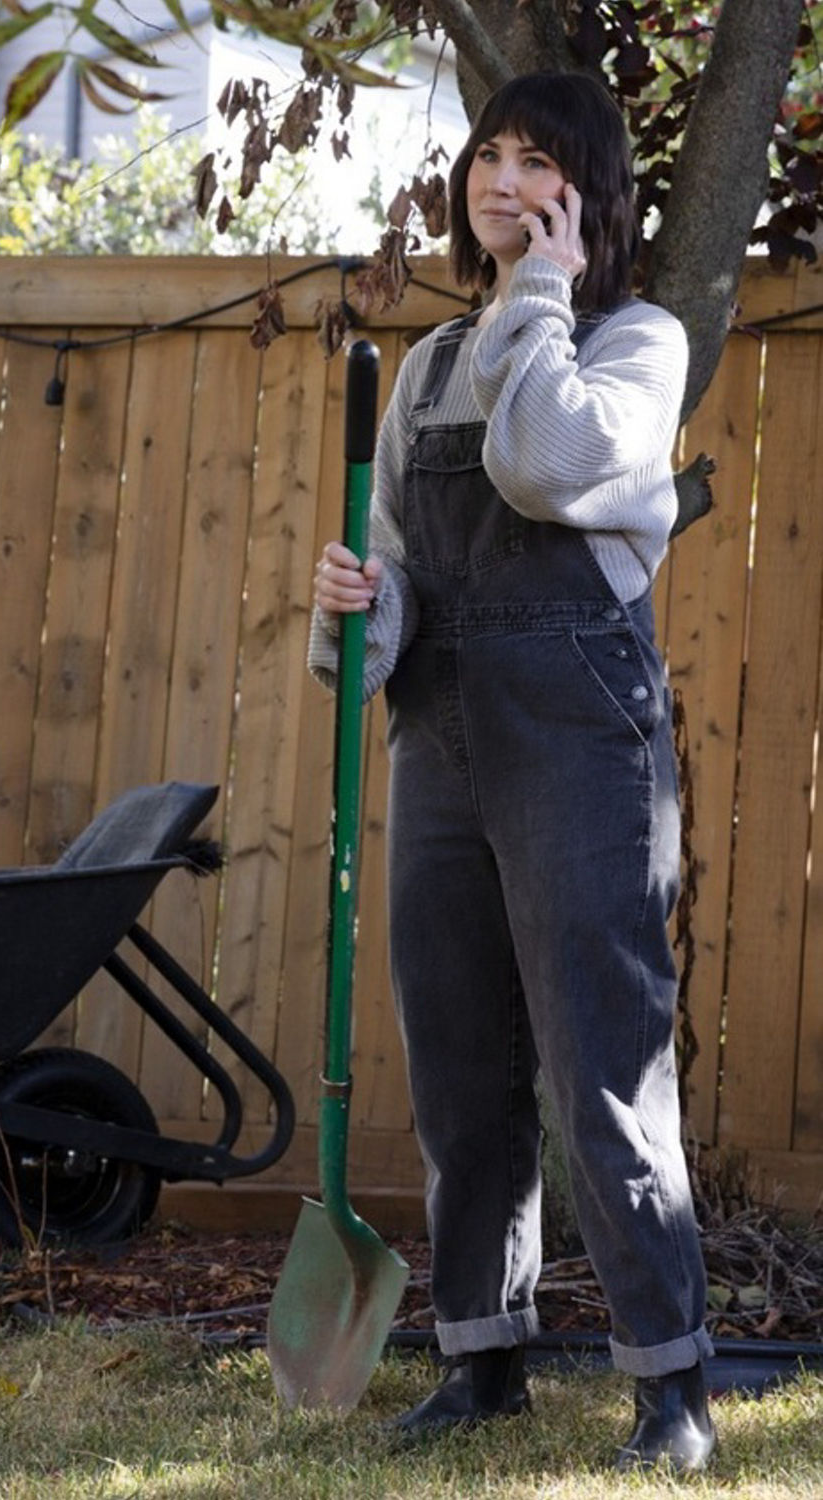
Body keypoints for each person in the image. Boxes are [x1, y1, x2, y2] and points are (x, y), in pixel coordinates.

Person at [309, 71, 716, 1473]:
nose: (499, 177)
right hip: (442, 739)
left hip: (579, 744)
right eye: (486, 152)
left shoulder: (634, 342)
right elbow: (403, 585)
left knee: (599, 1066)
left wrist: (535, 300)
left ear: (585, 189)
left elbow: (546, 466)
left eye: (535, 159)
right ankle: (480, 1359)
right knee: (459, 1068)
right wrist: (353, 607)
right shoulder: (423, 365)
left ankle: (671, 1386)